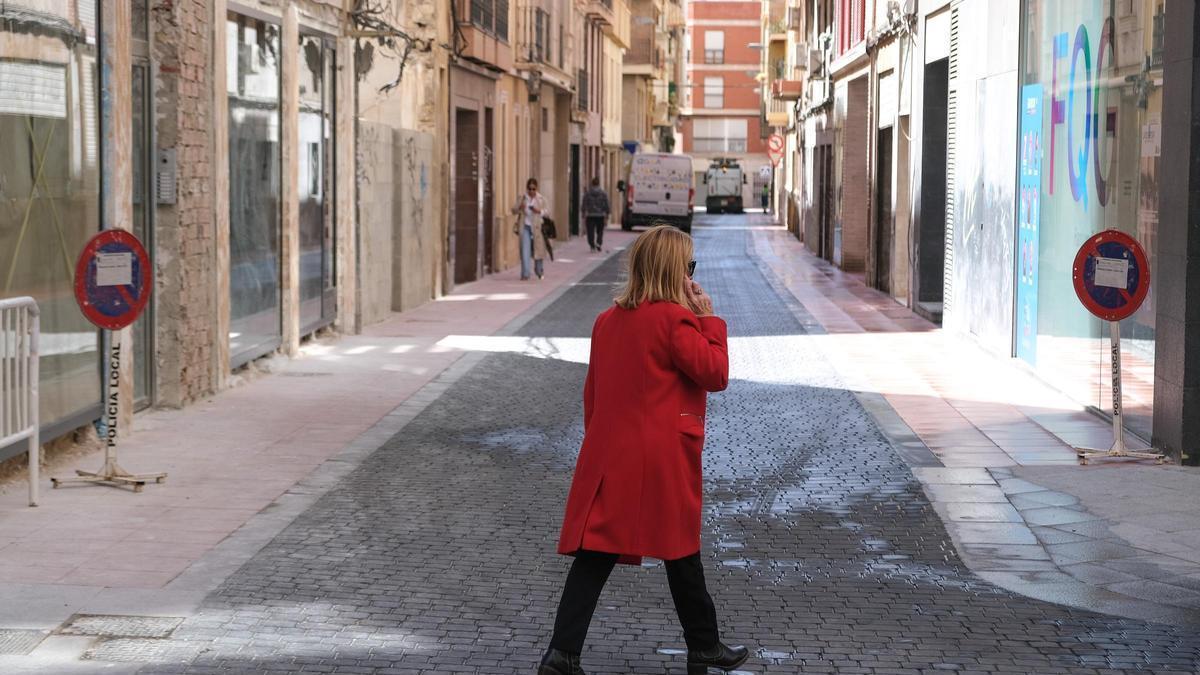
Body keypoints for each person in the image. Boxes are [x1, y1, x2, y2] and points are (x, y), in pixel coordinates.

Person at [538, 225, 747, 675]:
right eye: (689, 266)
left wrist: (600, 444)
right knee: (679, 547)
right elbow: (715, 373)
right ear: (675, 270)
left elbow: (592, 394)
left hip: (612, 454)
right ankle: (704, 646)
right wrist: (709, 317)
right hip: (661, 458)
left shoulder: (607, 320)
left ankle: (563, 653)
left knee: (599, 553)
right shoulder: (676, 320)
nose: (693, 274)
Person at [513, 178, 549, 280]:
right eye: (529, 189)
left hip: (537, 228)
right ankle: (525, 274)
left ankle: (539, 270)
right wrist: (520, 207)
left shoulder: (541, 199)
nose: (531, 191)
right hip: (525, 227)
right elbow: (513, 210)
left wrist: (539, 211)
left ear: (536, 188)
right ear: (527, 188)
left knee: (538, 250)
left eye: (533, 189)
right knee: (525, 250)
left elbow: (547, 212)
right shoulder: (522, 198)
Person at [580, 177, 610, 252]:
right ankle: (598, 243)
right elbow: (606, 204)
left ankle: (592, 245)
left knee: (590, 231)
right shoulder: (603, 193)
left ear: (592, 184)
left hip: (590, 215)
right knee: (600, 231)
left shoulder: (587, 193)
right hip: (600, 215)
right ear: (599, 184)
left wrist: (583, 212)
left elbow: (584, 204)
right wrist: (607, 213)